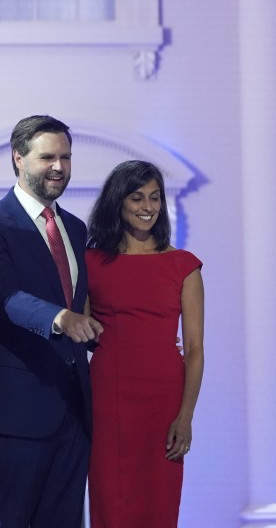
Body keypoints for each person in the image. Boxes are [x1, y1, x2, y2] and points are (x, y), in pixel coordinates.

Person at [0, 114, 103, 528]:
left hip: (73, 408)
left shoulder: (75, 229)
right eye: (47, 158)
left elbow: (87, 305)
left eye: (65, 157)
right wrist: (59, 318)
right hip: (15, 409)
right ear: (18, 159)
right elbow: (2, 297)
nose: (59, 167)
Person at [85, 160, 204, 528]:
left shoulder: (184, 265)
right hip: (107, 394)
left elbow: (196, 350)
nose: (147, 207)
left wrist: (185, 417)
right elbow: (82, 331)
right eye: (137, 198)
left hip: (163, 399)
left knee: (159, 501)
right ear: (118, 203)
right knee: (110, 498)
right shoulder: (90, 262)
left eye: (154, 198)